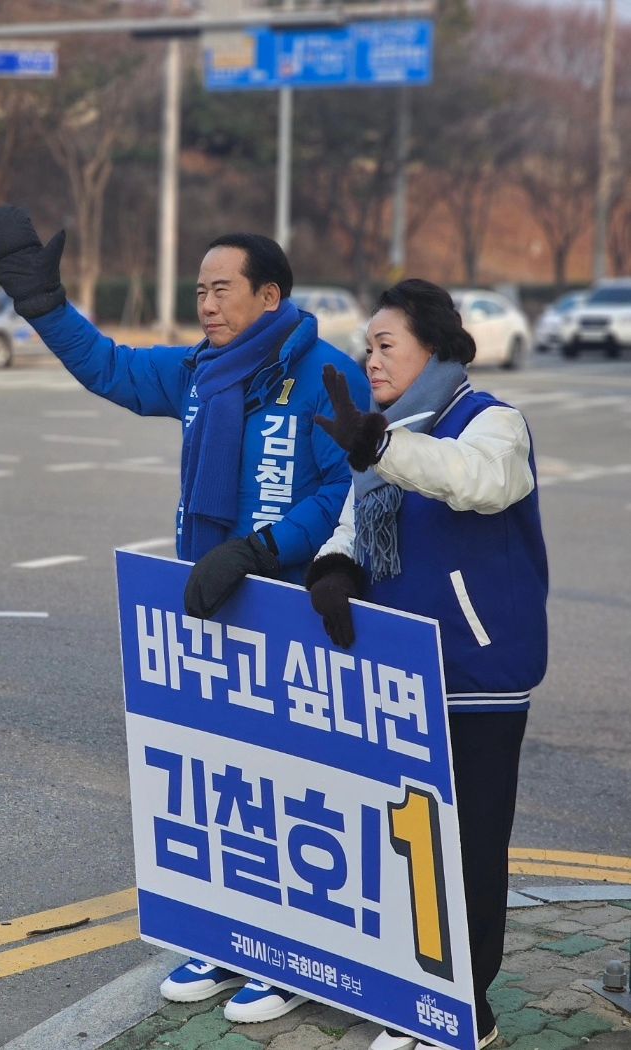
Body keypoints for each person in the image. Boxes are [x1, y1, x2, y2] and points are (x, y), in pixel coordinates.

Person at [0, 205, 372, 1023]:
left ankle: (294, 957)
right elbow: (111, 369)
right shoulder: (202, 373)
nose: (207, 303)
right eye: (200, 291)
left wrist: (261, 549)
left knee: (293, 790)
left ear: (270, 296)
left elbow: (345, 495)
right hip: (212, 604)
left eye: (222, 289)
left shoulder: (327, 375)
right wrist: (44, 307)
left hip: (291, 611)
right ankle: (232, 940)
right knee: (225, 784)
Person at [305, 279, 548, 1050]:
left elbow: (479, 481)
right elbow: (352, 526)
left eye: (385, 345)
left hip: (478, 675)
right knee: (407, 841)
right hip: (397, 678)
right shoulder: (381, 438)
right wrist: (335, 571)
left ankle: (467, 1010)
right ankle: (417, 993)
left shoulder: (490, 421)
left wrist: (381, 447)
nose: (370, 360)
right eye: (366, 348)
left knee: (469, 847)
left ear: (434, 348)